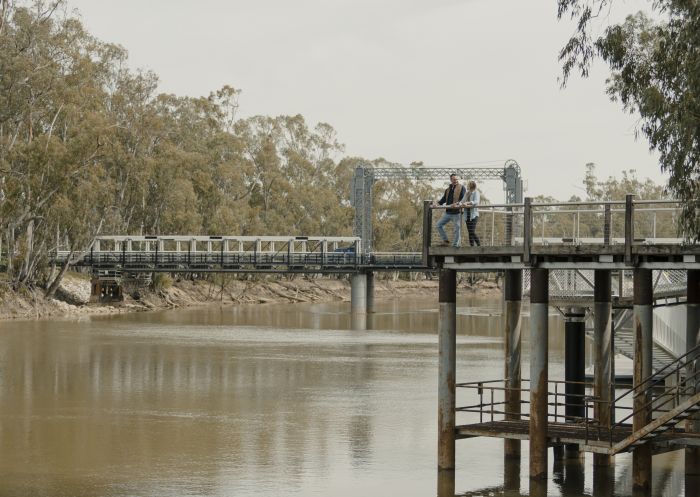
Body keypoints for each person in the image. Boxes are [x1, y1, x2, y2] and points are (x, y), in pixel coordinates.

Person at [432, 173, 465, 247]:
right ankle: (446, 241)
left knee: (457, 229)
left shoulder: (462, 188)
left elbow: (463, 199)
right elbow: (443, 199)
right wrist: (437, 204)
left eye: (456, 179)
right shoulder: (448, 189)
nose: (455, 181)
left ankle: (455, 245)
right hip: (448, 212)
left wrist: (456, 204)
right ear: (451, 180)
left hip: (457, 212)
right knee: (438, 225)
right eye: (454, 179)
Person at [462, 180, 481, 246]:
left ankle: (479, 245)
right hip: (467, 214)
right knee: (469, 232)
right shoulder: (467, 193)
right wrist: (458, 203)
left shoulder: (476, 192)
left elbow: (476, 201)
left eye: (469, 185)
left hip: (474, 215)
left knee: (472, 231)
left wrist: (468, 203)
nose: (468, 186)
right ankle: (472, 247)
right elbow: (462, 201)